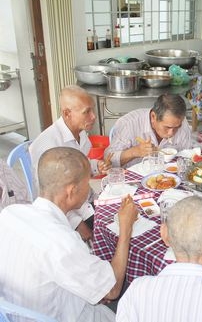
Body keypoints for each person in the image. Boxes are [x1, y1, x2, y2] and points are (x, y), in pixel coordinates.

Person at [0, 147, 138, 322]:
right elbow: (112, 290)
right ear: (71, 191)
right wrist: (125, 228)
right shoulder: (62, 242)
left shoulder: (9, 213)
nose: (88, 189)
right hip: (59, 316)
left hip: (13, 311)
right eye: (87, 183)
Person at [30, 85, 110, 240]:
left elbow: (80, 164)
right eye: (86, 112)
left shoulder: (81, 133)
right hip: (67, 214)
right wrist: (78, 225)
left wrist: (95, 166)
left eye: (92, 110)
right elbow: (50, 198)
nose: (93, 116)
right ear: (67, 113)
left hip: (85, 200)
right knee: (114, 236)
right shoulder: (49, 147)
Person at [105, 94, 192, 168]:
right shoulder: (129, 123)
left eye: (177, 127)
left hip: (170, 177)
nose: (171, 133)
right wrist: (134, 152)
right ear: (153, 117)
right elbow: (108, 161)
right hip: (133, 181)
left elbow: (188, 156)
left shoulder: (182, 123)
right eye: (167, 127)